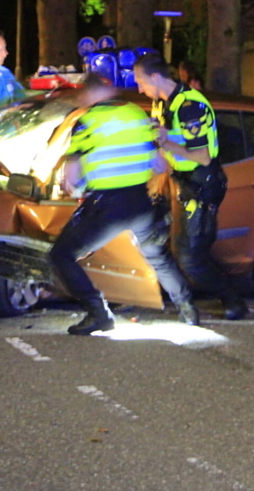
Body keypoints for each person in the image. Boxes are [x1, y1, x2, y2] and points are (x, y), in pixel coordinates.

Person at [49, 73, 200, 336]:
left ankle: (99, 314)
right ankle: (188, 309)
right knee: (157, 255)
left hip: (106, 206)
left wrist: (71, 184)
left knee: (61, 255)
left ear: (89, 94)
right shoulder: (136, 113)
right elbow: (159, 164)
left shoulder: (87, 121)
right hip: (140, 202)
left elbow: (72, 178)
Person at [133, 53, 248, 321]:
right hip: (183, 183)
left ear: (155, 77)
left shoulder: (190, 106)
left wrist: (164, 143)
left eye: (140, 81)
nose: (139, 88)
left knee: (190, 257)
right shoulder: (161, 104)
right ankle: (210, 296)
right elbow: (162, 141)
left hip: (202, 184)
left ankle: (234, 300)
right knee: (187, 249)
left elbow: (201, 157)